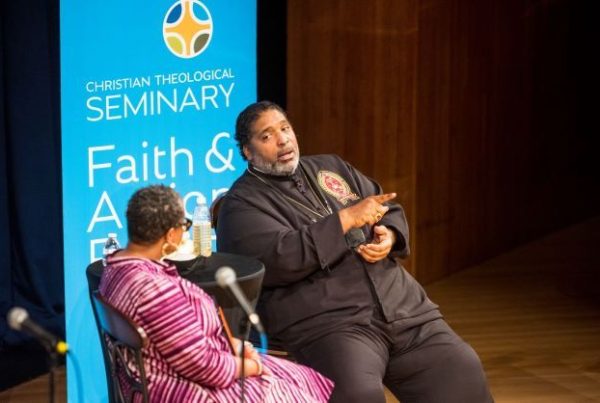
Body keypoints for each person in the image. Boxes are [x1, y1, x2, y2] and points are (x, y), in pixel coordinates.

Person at [216, 101, 494, 403]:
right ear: (247, 151)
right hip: (331, 323)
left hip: (402, 308)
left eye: (285, 128)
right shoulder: (241, 204)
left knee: (461, 369)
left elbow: (384, 206)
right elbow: (278, 259)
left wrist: (389, 235)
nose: (283, 140)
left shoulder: (330, 167)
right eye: (267, 136)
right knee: (358, 394)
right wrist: (345, 219)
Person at [99, 184, 333, 402]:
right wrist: (253, 367)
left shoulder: (114, 268)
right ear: (170, 235)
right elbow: (208, 369)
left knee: (300, 375)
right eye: (184, 225)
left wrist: (235, 346)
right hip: (183, 391)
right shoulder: (156, 292)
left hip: (165, 374)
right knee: (293, 388)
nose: (184, 231)